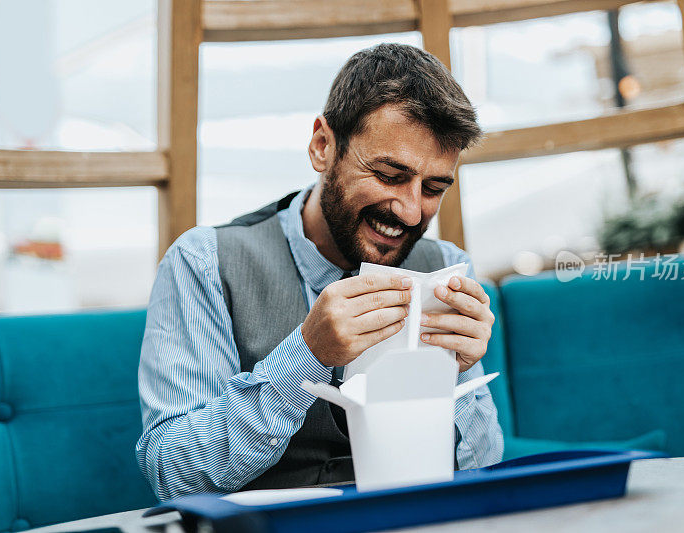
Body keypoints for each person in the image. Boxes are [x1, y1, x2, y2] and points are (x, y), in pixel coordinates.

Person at [137, 43, 503, 501]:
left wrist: (455, 375)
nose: (411, 212)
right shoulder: (205, 262)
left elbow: (484, 469)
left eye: (433, 188)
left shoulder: (445, 266)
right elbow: (172, 473)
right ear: (322, 146)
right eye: (389, 175)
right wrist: (304, 358)